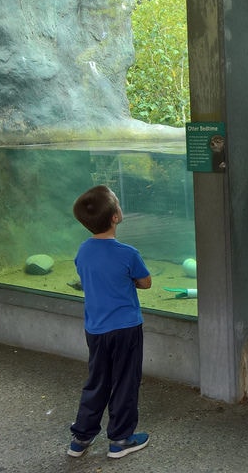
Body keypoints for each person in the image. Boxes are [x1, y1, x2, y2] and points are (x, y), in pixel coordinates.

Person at [67, 185, 153, 459]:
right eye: (117, 203)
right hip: (126, 329)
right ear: (115, 216)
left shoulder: (83, 250)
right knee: (126, 382)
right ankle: (121, 439)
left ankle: (81, 438)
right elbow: (146, 283)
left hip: (95, 329)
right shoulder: (128, 253)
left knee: (97, 381)